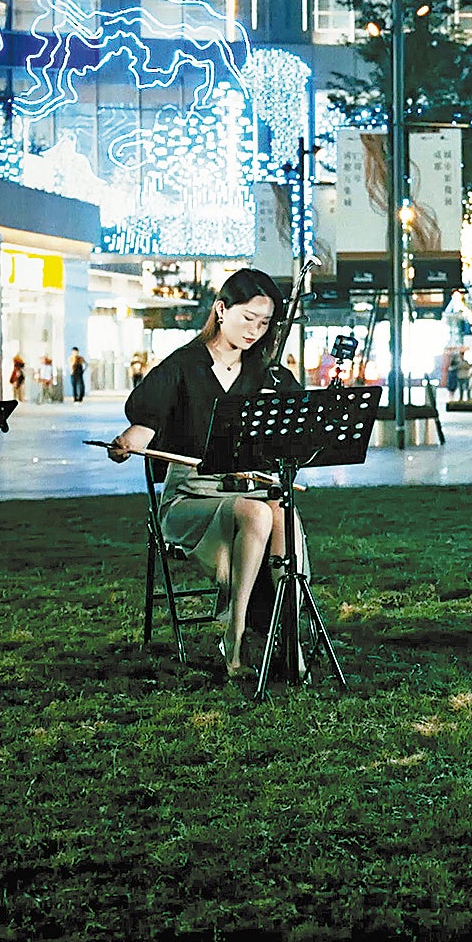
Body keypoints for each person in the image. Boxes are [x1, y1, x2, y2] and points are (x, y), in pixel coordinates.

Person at [106, 269, 305, 678]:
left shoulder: (266, 375)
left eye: (265, 323)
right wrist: (127, 443)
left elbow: (297, 438)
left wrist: (275, 415)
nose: (256, 330)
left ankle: (285, 636)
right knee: (257, 513)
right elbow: (143, 430)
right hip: (191, 496)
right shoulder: (182, 366)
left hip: (248, 490)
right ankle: (235, 638)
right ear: (221, 309)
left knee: (279, 511)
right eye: (248, 318)